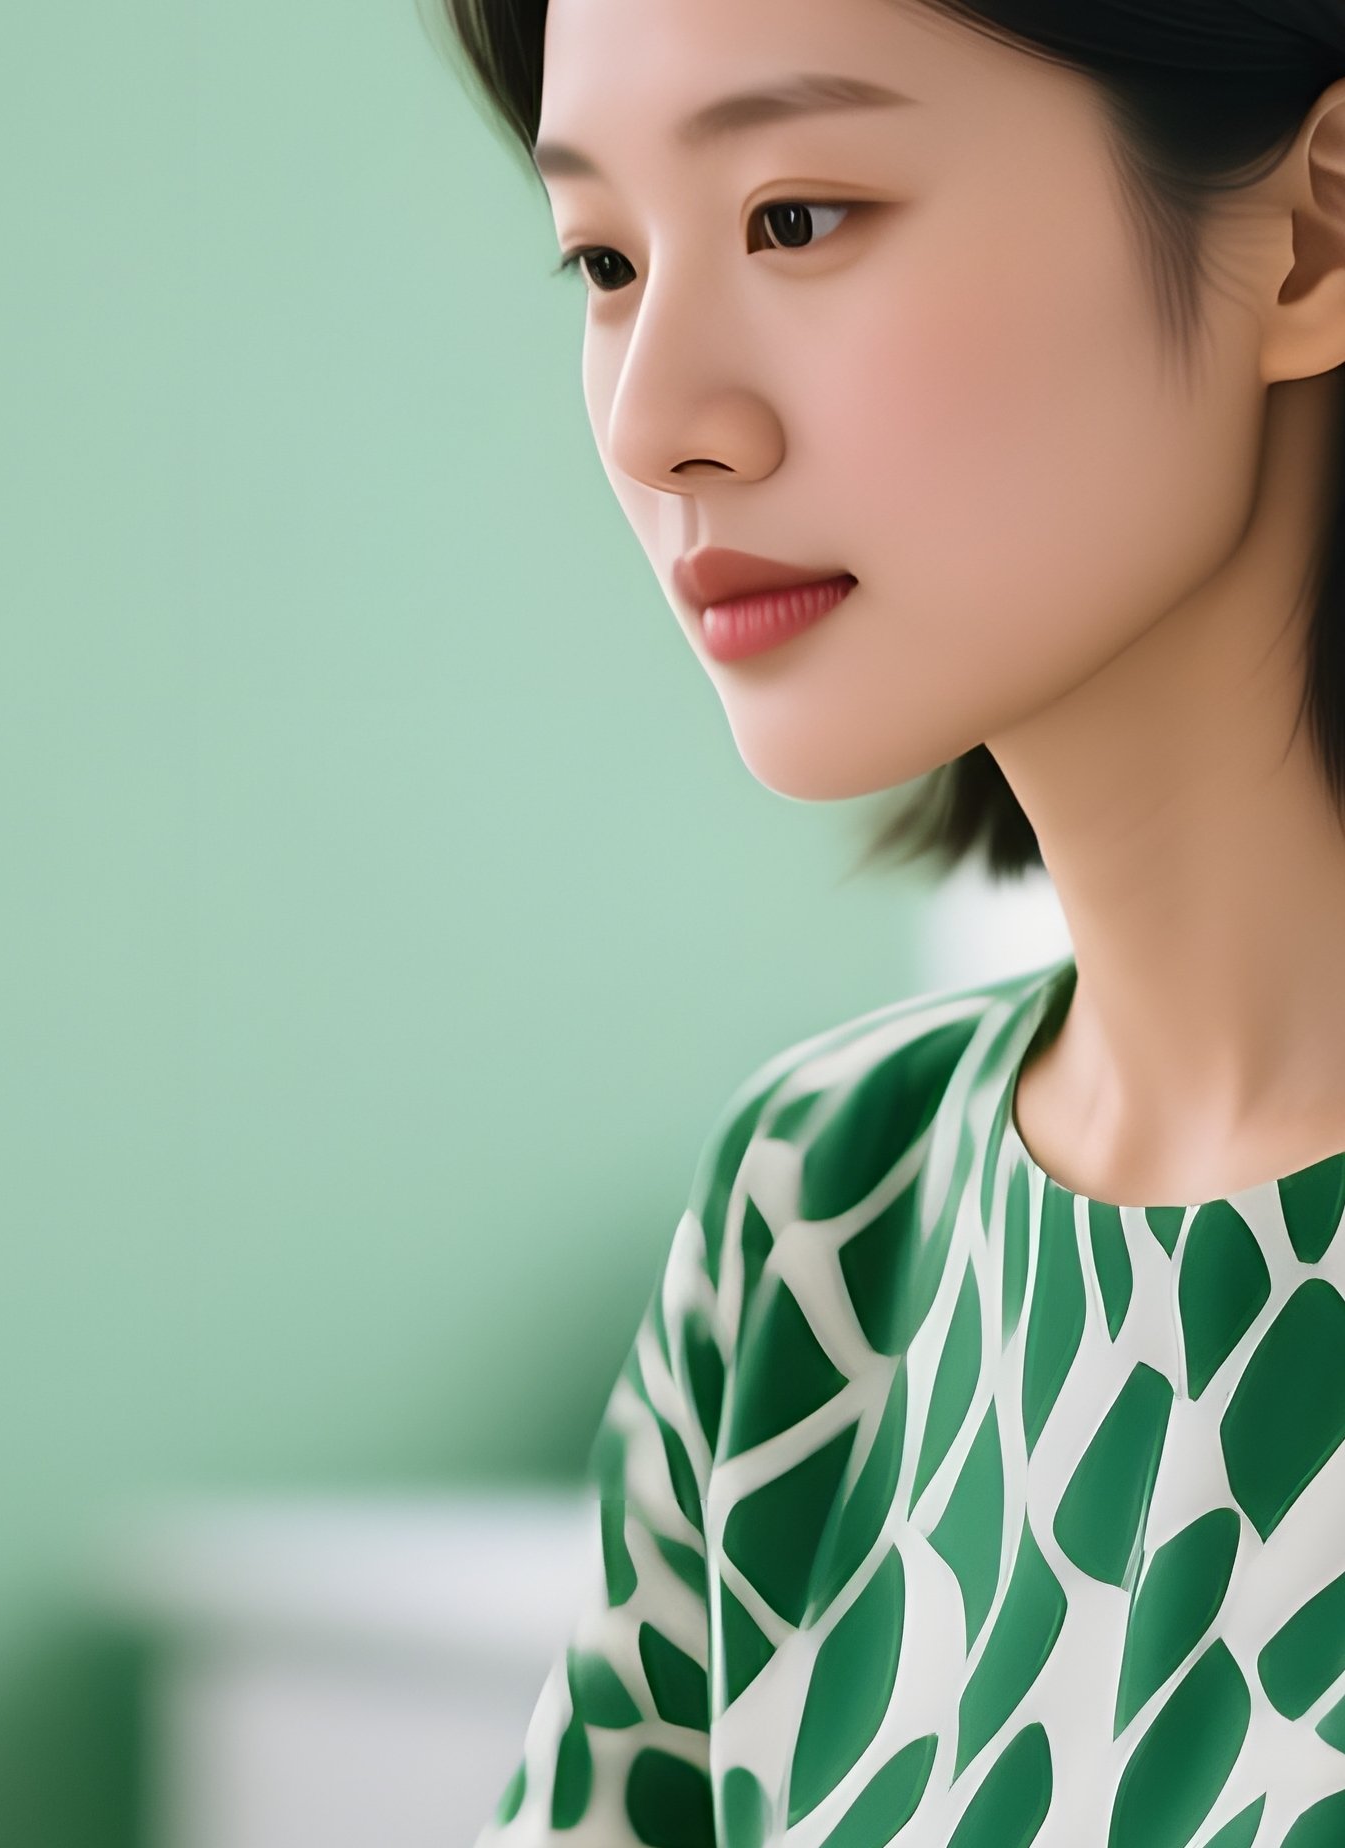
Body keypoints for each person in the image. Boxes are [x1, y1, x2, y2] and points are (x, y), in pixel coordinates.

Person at [429, 0, 1345, 1840]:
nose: (656, 418)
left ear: (1312, 232)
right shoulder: (820, 1213)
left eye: (797, 217)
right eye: (604, 258)